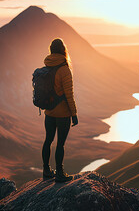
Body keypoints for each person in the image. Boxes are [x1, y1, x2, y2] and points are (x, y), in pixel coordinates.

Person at [42, 38, 78, 182]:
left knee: (48, 140)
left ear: (51, 50)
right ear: (63, 50)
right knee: (60, 144)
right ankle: (60, 173)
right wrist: (74, 114)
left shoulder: (47, 66)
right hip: (63, 113)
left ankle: (46, 170)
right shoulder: (64, 69)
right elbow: (69, 94)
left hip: (49, 112)